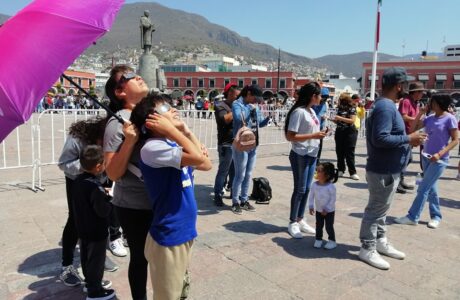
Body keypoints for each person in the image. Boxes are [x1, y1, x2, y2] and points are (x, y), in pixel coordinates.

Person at [130, 94, 212, 300]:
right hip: (169, 235)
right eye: (166, 108)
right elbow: (196, 156)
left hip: (184, 231)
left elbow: (206, 164)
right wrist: (176, 132)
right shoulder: (152, 148)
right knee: (167, 296)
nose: (174, 109)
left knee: (180, 289)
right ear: (152, 121)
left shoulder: (171, 143)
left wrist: (183, 130)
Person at [358, 67, 426, 270]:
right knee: (376, 210)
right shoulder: (386, 108)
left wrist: (408, 141)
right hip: (382, 169)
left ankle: (379, 240)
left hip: (388, 168)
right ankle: (367, 247)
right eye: (405, 84)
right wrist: (408, 138)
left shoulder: (386, 106)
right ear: (398, 86)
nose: (406, 87)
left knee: (382, 210)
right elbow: (380, 138)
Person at [103, 65, 151, 300]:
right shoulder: (117, 124)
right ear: (120, 92)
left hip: (161, 198)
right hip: (134, 205)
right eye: (130, 77)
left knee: (164, 255)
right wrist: (130, 141)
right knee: (141, 258)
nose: (138, 76)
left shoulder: (151, 113)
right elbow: (111, 173)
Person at [57, 117, 122, 287]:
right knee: (75, 219)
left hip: (102, 176)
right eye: (105, 142)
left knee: (101, 216)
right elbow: (64, 163)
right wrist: (89, 164)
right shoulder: (77, 138)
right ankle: (67, 264)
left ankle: (96, 259)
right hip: (78, 180)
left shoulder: (113, 137)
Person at [395, 94, 458, 229]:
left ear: (440, 103)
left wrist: (440, 154)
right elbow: (412, 130)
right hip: (426, 157)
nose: (430, 105)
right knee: (431, 189)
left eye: (433, 102)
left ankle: (413, 216)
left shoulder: (450, 119)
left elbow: (455, 140)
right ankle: (436, 216)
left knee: (423, 188)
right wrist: (420, 114)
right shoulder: (429, 118)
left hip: (439, 160)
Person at [72, 145, 116, 300]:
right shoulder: (95, 187)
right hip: (97, 232)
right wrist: (110, 200)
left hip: (82, 230)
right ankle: (95, 291)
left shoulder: (78, 181)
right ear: (98, 167)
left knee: (85, 258)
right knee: (96, 262)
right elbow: (102, 211)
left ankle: (89, 284)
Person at [284, 82, 326, 238]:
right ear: (312, 96)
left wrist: (320, 134)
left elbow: (310, 131)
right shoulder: (299, 112)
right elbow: (290, 136)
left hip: (312, 153)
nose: (321, 98)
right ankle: (292, 221)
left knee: (307, 188)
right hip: (300, 153)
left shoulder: (311, 111)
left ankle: (300, 218)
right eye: (319, 95)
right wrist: (314, 136)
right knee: (300, 189)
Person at [231, 84, 270, 214]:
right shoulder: (238, 104)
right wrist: (249, 109)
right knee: (240, 175)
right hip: (241, 145)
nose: (256, 101)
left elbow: (259, 123)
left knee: (248, 175)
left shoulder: (255, 107)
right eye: (255, 97)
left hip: (253, 144)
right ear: (248, 93)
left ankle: (244, 199)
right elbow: (238, 118)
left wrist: (268, 119)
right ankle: (235, 201)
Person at [396, 81, 426, 194]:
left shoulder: (415, 102)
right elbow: (403, 116)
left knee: (407, 159)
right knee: (404, 159)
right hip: (404, 134)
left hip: (411, 134)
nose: (422, 94)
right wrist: (417, 120)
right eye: (421, 92)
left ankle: (400, 180)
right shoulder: (406, 101)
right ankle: (397, 181)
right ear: (415, 92)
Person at [213, 83, 239, 206]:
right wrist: (236, 108)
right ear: (229, 93)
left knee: (235, 171)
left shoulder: (237, 105)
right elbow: (225, 120)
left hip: (237, 143)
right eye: (237, 95)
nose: (239, 97)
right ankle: (218, 195)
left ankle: (234, 193)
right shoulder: (220, 106)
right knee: (223, 171)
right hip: (225, 144)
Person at [308, 162, 339, 249]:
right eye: (316, 170)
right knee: (318, 225)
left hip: (329, 211)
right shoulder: (314, 185)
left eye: (319, 171)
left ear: (327, 175)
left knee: (329, 226)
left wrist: (327, 209)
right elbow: (311, 196)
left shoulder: (331, 187)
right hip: (318, 210)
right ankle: (318, 239)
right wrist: (310, 206)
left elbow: (332, 199)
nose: (316, 172)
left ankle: (332, 241)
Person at [333, 93, 359, 180]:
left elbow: (352, 120)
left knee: (349, 152)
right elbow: (339, 121)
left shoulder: (352, 108)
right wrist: (334, 120)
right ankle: (341, 169)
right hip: (340, 131)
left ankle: (352, 172)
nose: (339, 101)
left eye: (340, 99)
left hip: (350, 132)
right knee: (339, 151)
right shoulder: (340, 109)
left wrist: (339, 118)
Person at [313, 87, 329, 164]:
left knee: (319, 146)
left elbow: (324, 112)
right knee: (313, 146)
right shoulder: (314, 104)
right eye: (323, 97)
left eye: (326, 97)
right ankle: (313, 161)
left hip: (321, 128)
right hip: (313, 129)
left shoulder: (325, 104)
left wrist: (325, 116)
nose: (324, 99)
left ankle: (317, 161)